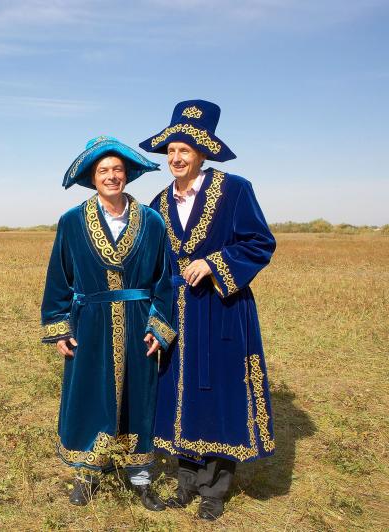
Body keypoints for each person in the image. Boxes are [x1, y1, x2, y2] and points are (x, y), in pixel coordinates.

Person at [138, 100, 277, 520]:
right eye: (171, 151)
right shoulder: (159, 202)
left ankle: (214, 490)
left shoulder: (235, 190)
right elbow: (152, 258)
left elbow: (259, 242)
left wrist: (216, 262)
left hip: (221, 308)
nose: (176, 158)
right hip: (177, 311)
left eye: (185, 150)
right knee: (178, 392)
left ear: (203, 152)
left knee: (218, 392)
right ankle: (186, 482)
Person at [41, 136, 177, 511]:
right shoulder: (71, 222)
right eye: (103, 170)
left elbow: (165, 280)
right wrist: (59, 327)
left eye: (117, 169)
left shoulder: (152, 221)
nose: (111, 176)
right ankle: (86, 475)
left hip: (138, 324)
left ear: (127, 175)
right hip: (90, 325)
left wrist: (159, 327)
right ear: (92, 176)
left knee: (139, 400)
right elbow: (59, 278)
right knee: (88, 397)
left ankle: (141, 479)